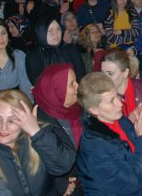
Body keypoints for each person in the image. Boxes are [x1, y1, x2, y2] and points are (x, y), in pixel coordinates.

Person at [77, 72, 142, 196]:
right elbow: (133, 182)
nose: (120, 104)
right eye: (111, 101)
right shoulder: (95, 150)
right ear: (94, 110)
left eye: (117, 96)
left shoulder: (118, 119)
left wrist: (141, 129)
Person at [0, 90, 76, 195]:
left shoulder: (39, 138)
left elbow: (63, 166)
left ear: (26, 119)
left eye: (12, 121)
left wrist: (35, 132)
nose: (3, 127)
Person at [100, 48, 142, 177]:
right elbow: (101, 137)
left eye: (110, 73)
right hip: (119, 165)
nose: (104, 79)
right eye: (102, 73)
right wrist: (128, 124)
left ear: (125, 72)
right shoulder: (101, 97)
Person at [32, 64, 82, 196]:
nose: (78, 86)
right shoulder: (38, 121)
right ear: (56, 89)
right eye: (72, 84)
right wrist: (59, 182)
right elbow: (37, 163)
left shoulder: (78, 110)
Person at [25, 17, 86, 85]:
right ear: (42, 32)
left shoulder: (70, 49)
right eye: (51, 31)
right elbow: (37, 83)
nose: (56, 34)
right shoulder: (34, 56)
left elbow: (81, 75)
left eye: (58, 29)